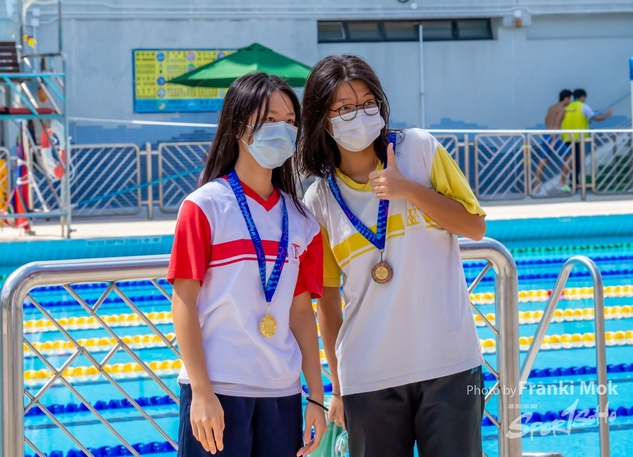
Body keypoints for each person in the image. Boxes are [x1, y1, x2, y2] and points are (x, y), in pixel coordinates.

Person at [297, 55, 486, 457]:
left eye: (368, 103)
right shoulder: (320, 200)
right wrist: (338, 387)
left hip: (448, 362)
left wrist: (409, 190)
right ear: (322, 120)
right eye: (344, 108)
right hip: (369, 376)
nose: (360, 115)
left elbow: (473, 226)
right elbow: (327, 302)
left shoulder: (418, 149)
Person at [169, 72, 327, 457]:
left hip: (281, 392)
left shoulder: (303, 222)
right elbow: (184, 301)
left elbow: (301, 313)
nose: (283, 129)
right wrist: (201, 392)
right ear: (240, 126)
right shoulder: (203, 207)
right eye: (270, 119)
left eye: (290, 121)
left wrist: (316, 397)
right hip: (218, 389)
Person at [561, 88, 613, 188]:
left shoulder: (566, 107)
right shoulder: (583, 106)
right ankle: (573, 183)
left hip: (566, 138)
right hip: (578, 139)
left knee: (569, 161)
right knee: (577, 162)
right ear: (582, 97)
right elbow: (595, 118)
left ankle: (571, 182)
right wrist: (606, 115)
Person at [532, 89, 572, 196]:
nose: (570, 101)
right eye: (570, 99)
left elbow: (546, 120)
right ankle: (561, 182)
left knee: (542, 162)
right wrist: (554, 140)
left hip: (546, 135)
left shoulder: (551, 107)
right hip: (553, 136)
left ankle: (536, 188)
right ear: (566, 98)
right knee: (570, 157)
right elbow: (557, 123)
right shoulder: (562, 109)